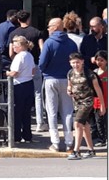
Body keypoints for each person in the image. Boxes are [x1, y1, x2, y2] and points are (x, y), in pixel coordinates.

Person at [39, 17, 78, 152]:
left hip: (50, 79)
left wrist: (44, 70)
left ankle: (55, 142)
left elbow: (42, 63)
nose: (48, 29)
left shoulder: (49, 43)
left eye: (49, 26)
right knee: (67, 112)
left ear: (55, 27)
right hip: (67, 79)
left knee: (52, 111)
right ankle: (69, 142)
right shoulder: (71, 43)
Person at [8, 10, 46, 132]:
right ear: (29, 19)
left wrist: (17, 62)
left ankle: (19, 132)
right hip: (34, 65)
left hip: (19, 72)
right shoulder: (36, 32)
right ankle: (40, 122)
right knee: (38, 95)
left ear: (18, 20)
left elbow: (10, 53)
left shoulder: (14, 33)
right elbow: (42, 49)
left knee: (19, 105)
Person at [66, 52, 106, 159]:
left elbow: (98, 90)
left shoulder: (90, 74)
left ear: (82, 62)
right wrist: (69, 91)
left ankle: (76, 151)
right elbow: (69, 86)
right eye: (73, 63)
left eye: (78, 62)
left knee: (77, 124)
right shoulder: (70, 73)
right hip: (77, 102)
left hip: (87, 101)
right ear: (70, 63)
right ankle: (91, 150)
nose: (76, 65)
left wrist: (102, 105)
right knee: (85, 126)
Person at [6, 36, 35, 144]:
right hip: (29, 83)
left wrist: (7, 73)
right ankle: (27, 136)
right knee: (26, 112)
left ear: (21, 46)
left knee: (17, 112)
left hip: (19, 85)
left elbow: (15, 72)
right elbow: (33, 71)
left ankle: (17, 136)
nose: (13, 47)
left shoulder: (19, 57)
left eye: (15, 45)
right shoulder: (30, 55)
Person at [93, 50, 108, 147]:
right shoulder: (94, 72)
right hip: (97, 100)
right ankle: (102, 139)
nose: (99, 62)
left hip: (107, 99)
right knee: (99, 121)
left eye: (101, 60)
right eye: (97, 60)